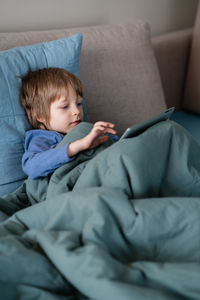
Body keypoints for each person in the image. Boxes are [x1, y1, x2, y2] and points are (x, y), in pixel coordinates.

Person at [20, 67, 118, 180]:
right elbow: (32, 168)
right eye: (64, 106)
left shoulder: (87, 130)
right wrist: (78, 146)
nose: (76, 111)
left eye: (79, 104)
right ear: (40, 115)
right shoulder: (41, 139)